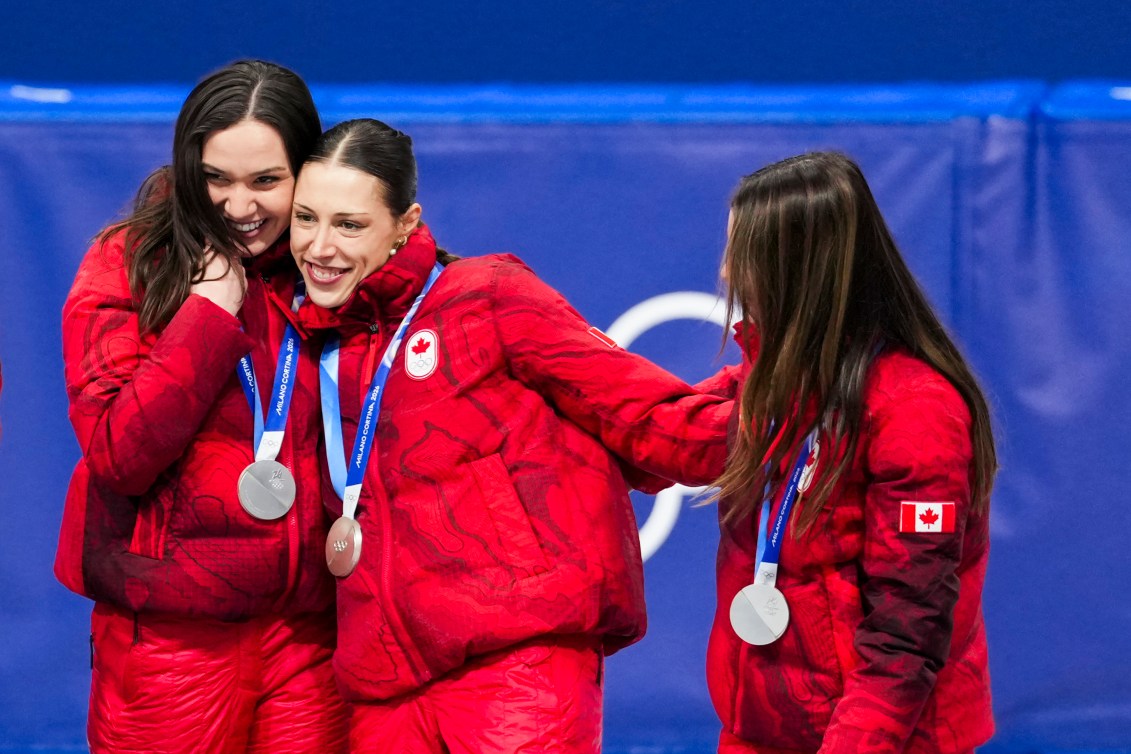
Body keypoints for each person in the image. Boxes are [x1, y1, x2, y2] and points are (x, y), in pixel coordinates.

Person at [288, 118, 733, 753]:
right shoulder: (312, 341)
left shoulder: (485, 297)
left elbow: (653, 420)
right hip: (385, 682)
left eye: (349, 224)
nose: (320, 246)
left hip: (518, 665)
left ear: (406, 224)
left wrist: (794, 375)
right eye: (306, 218)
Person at [54, 60, 348, 753]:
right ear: (188, 168)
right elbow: (118, 454)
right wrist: (209, 316)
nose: (238, 205)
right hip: (169, 638)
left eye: (266, 182)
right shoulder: (128, 262)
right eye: (215, 178)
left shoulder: (332, 273)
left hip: (311, 634)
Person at [702, 152, 996, 753]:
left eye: (743, 254)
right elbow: (650, 426)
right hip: (763, 730)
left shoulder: (917, 410)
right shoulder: (770, 386)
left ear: (796, 269)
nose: (728, 273)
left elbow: (904, 640)